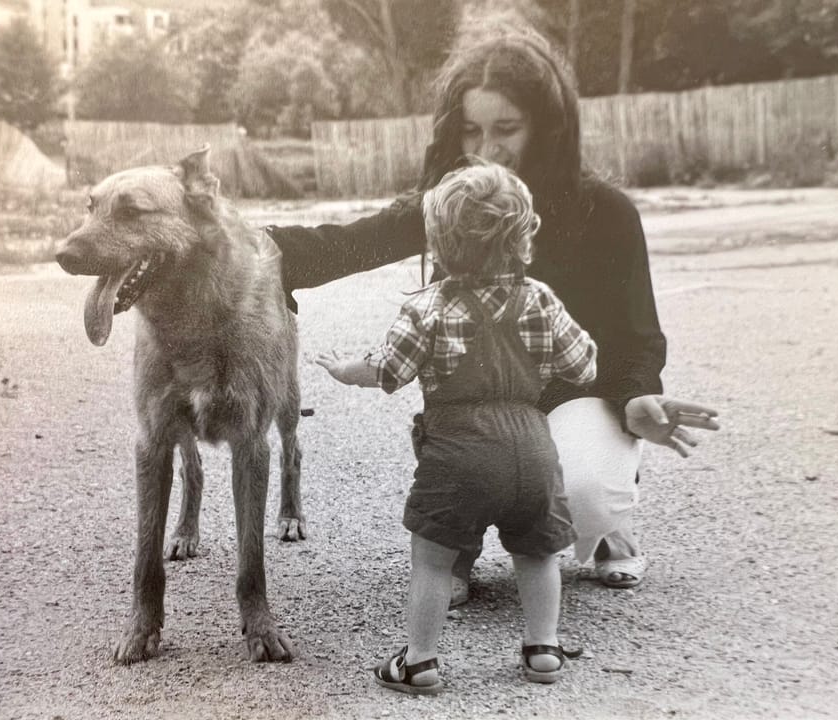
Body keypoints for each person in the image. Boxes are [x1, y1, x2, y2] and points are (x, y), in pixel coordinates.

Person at [267, 28, 720, 604]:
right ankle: (461, 537)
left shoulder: (605, 211)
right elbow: (351, 243)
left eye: (507, 129)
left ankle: (609, 520)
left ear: (547, 126)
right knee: (466, 459)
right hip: (476, 407)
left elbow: (634, 340)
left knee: (583, 494)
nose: (488, 149)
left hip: (579, 398)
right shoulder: (454, 201)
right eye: (472, 129)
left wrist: (635, 401)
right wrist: (257, 246)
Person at [316, 161, 597, 694]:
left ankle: (420, 660)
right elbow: (584, 367)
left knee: (433, 558)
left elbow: (387, 372)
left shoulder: (428, 306)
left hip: (458, 450)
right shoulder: (539, 298)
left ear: (438, 245)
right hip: (532, 444)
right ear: (522, 240)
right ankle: (543, 647)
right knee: (537, 552)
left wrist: (343, 368)